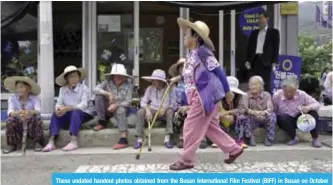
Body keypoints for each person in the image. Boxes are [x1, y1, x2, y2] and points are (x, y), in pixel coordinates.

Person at [169, 18, 243, 170]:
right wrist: (178, 77)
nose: (184, 37)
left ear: (195, 37)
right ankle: (234, 149)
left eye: (187, 34)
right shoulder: (192, 54)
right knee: (210, 128)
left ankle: (186, 161)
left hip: (203, 97)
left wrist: (228, 91)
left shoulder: (203, 53)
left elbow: (219, 71)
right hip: (201, 97)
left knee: (190, 127)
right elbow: (191, 75)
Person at [43, 66, 94, 152]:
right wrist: (59, 110)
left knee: (76, 112)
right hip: (70, 113)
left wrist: (67, 108)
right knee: (55, 114)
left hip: (84, 113)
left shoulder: (84, 88)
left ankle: (73, 141)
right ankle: (51, 142)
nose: (74, 79)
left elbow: (83, 105)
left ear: (79, 78)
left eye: (75, 76)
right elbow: (59, 103)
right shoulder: (63, 89)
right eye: (71, 77)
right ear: (67, 79)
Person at [272, 76, 322, 148]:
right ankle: (294, 137)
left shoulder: (302, 94)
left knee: (313, 113)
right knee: (282, 118)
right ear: (282, 88)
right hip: (286, 120)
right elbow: (274, 110)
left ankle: (315, 138)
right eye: (286, 91)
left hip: (299, 119)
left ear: (296, 89)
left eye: (292, 91)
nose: (289, 94)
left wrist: (307, 108)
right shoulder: (277, 96)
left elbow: (317, 104)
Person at [93, 63, 133, 149]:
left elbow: (128, 101)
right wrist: (108, 94)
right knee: (98, 96)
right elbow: (95, 90)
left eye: (120, 75)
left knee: (121, 109)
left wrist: (116, 105)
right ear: (113, 76)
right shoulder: (107, 82)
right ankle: (102, 122)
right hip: (108, 108)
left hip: (122, 108)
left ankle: (123, 139)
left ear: (124, 76)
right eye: (116, 75)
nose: (118, 77)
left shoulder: (128, 85)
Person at [135, 69, 177, 149]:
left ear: (161, 81)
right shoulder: (150, 89)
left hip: (164, 112)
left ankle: (167, 139)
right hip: (152, 110)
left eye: (155, 80)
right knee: (140, 111)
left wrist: (165, 108)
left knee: (170, 111)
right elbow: (143, 102)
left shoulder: (170, 89)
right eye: (152, 80)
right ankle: (139, 139)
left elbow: (174, 104)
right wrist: (147, 110)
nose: (153, 82)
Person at [2, 76, 44, 154]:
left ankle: (37, 143)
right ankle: (12, 144)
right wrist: (18, 113)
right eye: (18, 88)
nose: (19, 90)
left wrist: (29, 112)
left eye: (22, 87)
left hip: (30, 123)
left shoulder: (34, 98)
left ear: (28, 88)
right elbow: (10, 112)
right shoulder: (12, 98)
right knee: (10, 120)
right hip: (18, 123)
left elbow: (38, 110)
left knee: (38, 117)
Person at [246, 10, 280, 92]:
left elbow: (276, 48)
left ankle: (266, 103)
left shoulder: (274, 32)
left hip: (266, 62)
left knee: (265, 85)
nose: (259, 20)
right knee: (253, 84)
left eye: (261, 18)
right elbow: (249, 48)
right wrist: (247, 60)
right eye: (258, 19)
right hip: (254, 61)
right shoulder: (254, 33)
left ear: (267, 18)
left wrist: (274, 63)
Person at [217, 76, 248, 149]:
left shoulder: (240, 96)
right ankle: (219, 141)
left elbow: (242, 109)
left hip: (235, 118)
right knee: (216, 118)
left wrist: (229, 113)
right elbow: (217, 110)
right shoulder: (220, 96)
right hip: (222, 118)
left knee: (242, 117)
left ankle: (240, 140)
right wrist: (225, 116)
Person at [245, 76, 276, 147]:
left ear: (261, 86)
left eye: (255, 84)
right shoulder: (246, 95)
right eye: (251, 85)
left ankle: (269, 138)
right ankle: (250, 137)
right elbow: (246, 108)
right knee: (244, 117)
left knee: (272, 115)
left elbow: (270, 108)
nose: (253, 86)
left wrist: (263, 113)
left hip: (264, 116)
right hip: (253, 117)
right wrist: (255, 113)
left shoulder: (267, 94)